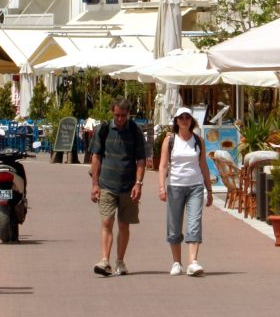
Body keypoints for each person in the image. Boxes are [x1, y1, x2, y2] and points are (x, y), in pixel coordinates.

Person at [89, 97, 147, 277]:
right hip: (107, 184)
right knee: (107, 222)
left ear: (128, 114)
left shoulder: (135, 131)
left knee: (124, 225)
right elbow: (96, 157)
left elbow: (141, 160)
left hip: (128, 186)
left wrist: (138, 184)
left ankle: (120, 261)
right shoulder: (104, 129)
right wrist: (95, 184)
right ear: (112, 113)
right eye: (117, 115)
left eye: (123, 115)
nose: (120, 119)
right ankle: (104, 260)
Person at [158, 106, 212, 276]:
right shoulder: (169, 140)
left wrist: (209, 189)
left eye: (187, 117)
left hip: (195, 186)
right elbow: (163, 165)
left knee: (194, 222)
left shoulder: (198, 141)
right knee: (174, 225)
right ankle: (176, 262)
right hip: (175, 186)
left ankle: (193, 262)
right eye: (181, 118)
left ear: (191, 120)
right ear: (176, 121)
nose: (184, 120)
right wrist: (161, 186)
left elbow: (203, 165)